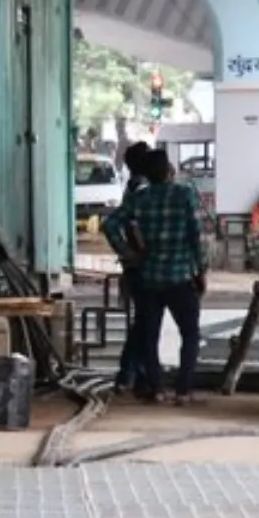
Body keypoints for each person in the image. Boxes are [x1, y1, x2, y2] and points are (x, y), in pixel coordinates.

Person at [105, 147, 208, 404]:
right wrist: (201, 269)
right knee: (190, 334)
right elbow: (197, 235)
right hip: (181, 275)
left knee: (149, 335)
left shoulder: (140, 198)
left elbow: (110, 225)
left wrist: (129, 254)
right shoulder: (185, 193)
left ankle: (158, 388)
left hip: (149, 277)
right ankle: (183, 390)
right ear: (168, 169)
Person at [110, 142, 154, 392]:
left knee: (144, 320)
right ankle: (130, 373)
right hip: (142, 266)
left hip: (136, 264)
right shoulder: (141, 189)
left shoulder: (134, 186)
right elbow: (128, 226)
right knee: (146, 322)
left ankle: (138, 374)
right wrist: (134, 253)